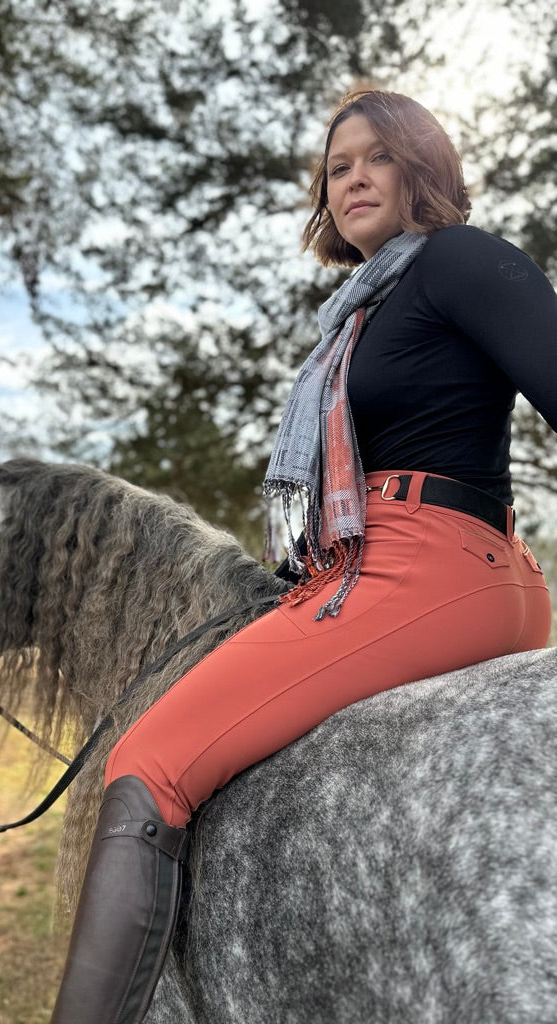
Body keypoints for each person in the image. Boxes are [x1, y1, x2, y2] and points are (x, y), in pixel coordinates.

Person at [50, 90, 557, 1023]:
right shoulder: (361, 312)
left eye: (379, 157)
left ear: (423, 169)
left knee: (148, 757)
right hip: (423, 566)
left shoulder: (456, 259)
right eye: (337, 167)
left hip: (429, 569)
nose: (353, 178)